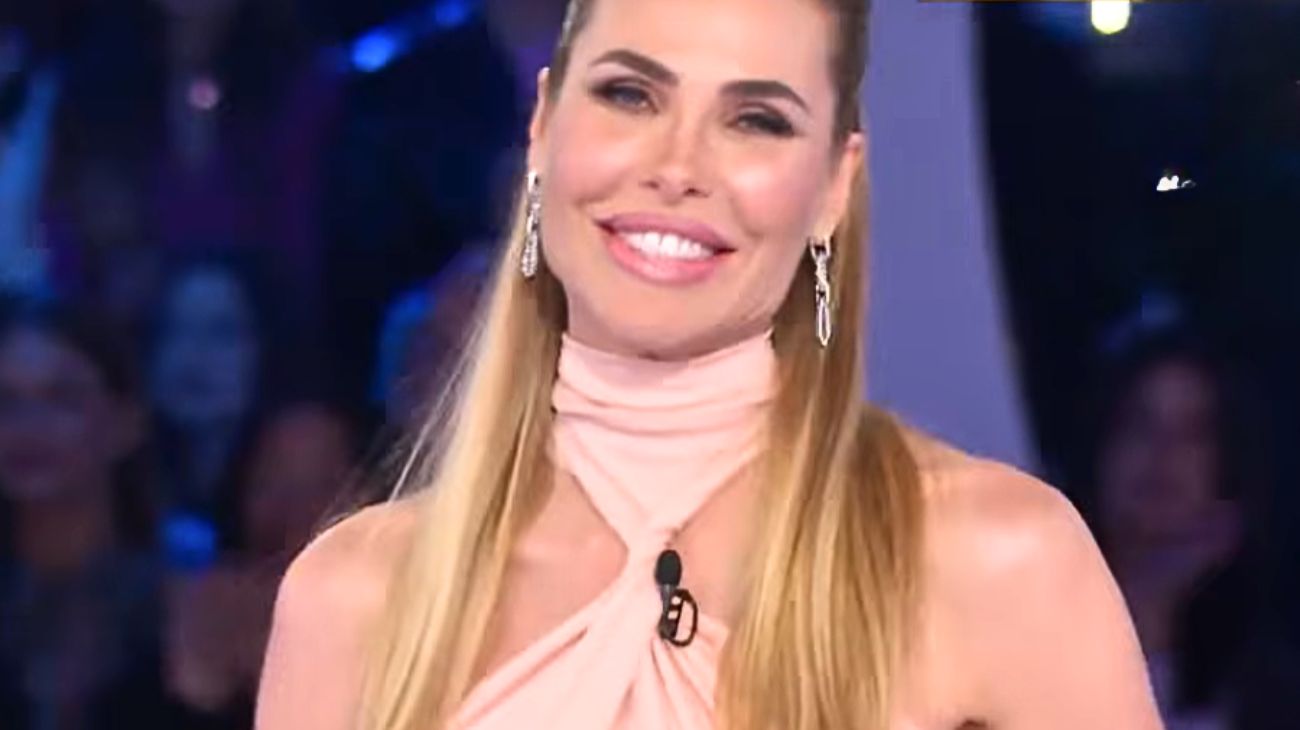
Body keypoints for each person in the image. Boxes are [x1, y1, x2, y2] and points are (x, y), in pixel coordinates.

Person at [258, 0, 1162, 728]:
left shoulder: (996, 560)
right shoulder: (355, 598)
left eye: (756, 120)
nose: (678, 166)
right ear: (542, 127)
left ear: (834, 186)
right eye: (629, 95)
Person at [1078, 323, 1265, 729]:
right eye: (1139, 423)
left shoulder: (1262, 671)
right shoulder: (1029, 610)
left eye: (1193, 433)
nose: (1163, 451)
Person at [0, 299, 166, 728]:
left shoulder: (181, 603)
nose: (28, 426)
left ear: (124, 423)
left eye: (62, 398)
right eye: (6, 402)